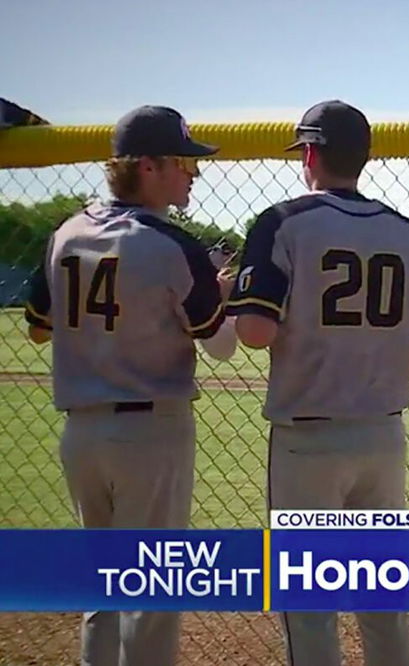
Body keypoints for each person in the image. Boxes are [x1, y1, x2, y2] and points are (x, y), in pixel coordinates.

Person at [226, 100, 409, 666]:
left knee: (308, 601)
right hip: (381, 433)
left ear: (309, 155)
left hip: (307, 436)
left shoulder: (283, 221)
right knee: (383, 593)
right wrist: (371, 366)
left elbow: (253, 330)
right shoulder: (406, 231)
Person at [23, 104, 236, 666]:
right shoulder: (173, 244)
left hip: (81, 432)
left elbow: (37, 330)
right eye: (183, 162)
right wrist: (221, 294)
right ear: (148, 166)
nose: (193, 172)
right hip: (150, 432)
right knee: (154, 589)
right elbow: (221, 345)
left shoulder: (65, 232)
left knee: (103, 589)